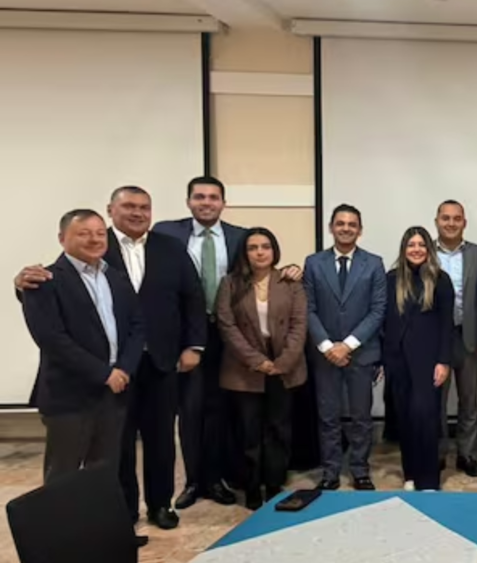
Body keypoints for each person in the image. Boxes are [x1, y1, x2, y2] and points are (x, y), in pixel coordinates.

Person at [13, 188, 206, 530]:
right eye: (128, 206)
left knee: (158, 440)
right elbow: (51, 311)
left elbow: (191, 297)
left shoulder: (168, 248)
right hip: (99, 375)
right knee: (115, 449)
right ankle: (122, 512)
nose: (137, 212)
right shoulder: (88, 257)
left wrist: (193, 345)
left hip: (157, 362)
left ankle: (160, 506)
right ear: (110, 210)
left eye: (144, 207)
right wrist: (20, 283)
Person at [153, 176, 304, 509]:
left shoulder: (239, 236)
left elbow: (268, 270)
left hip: (234, 342)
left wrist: (294, 268)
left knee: (226, 414)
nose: (206, 202)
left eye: (213, 197)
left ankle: (221, 478)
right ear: (189, 201)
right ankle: (195, 481)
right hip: (189, 335)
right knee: (191, 410)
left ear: (223, 202)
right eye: (199, 197)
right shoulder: (166, 234)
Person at [22, 209, 148, 546]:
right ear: (62, 238)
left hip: (114, 393)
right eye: (84, 233)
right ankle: (59, 544)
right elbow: (52, 339)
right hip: (69, 396)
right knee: (63, 474)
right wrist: (104, 373)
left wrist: (123, 369)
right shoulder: (44, 280)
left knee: (104, 473)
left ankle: (104, 539)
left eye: (99, 233)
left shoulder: (115, 277)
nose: (94, 239)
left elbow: (137, 326)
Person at [214, 227, 307, 510]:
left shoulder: (290, 282)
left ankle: (275, 484)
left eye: (265, 246)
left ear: (274, 250)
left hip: (283, 366)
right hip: (245, 368)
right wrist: (257, 360)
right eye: (253, 247)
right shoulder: (230, 283)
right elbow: (226, 325)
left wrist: (283, 362)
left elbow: (299, 324)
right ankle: (252, 487)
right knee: (249, 431)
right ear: (245, 253)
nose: (259, 252)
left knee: (279, 429)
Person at [303, 205, 386, 491]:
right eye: (340, 223)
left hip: (361, 353)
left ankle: (360, 470)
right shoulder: (313, 263)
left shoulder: (373, 263)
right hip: (325, 354)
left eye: (352, 224)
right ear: (331, 227)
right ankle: (330, 472)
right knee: (328, 417)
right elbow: (308, 308)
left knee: (361, 417)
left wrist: (348, 345)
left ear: (360, 230)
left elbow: (378, 310)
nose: (346, 228)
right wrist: (328, 346)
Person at [380, 226, 453, 491]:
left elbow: (447, 324)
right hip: (397, 361)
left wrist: (444, 361)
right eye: (411, 245)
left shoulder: (440, 280)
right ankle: (410, 474)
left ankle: (429, 479)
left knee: (426, 418)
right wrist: (383, 360)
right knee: (405, 419)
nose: (416, 249)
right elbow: (384, 321)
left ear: (429, 249)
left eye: (421, 245)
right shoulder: (391, 279)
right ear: (404, 249)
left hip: (429, 360)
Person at [434, 200, 477, 478]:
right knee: (436, 401)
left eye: (456, 218)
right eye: (446, 218)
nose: (451, 223)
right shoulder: (423, 251)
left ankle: (466, 454)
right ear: (437, 221)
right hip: (435, 341)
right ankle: (438, 453)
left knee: (469, 400)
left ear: (464, 222)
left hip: (469, 336)